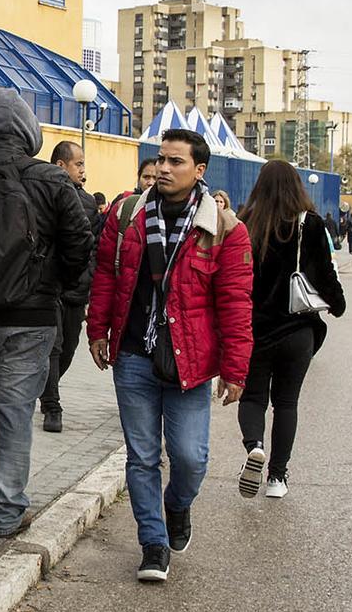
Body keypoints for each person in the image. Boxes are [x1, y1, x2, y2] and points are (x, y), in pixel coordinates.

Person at [86, 129, 253, 583]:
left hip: (189, 362)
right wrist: (96, 329)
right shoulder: (127, 215)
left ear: (199, 171)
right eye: (160, 159)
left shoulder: (225, 230)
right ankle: (153, 544)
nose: (163, 168)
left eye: (175, 161)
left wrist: (236, 369)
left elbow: (237, 303)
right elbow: (106, 275)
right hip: (134, 355)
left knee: (190, 458)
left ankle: (177, 505)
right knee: (141, 456)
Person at [0, 94, 92, 537]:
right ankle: (6, 509)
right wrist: (57, 286)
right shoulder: (51, 179)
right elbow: (79, 241)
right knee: (14, 409)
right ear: (31, 133)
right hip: (31, 316)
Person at [234, 161, 347, 501]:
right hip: (298, 329)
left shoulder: (246, 222)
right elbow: (325, 273)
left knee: (253, 396)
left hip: (255, 329)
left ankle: (255, 447)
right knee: (286, 403)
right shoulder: (309, 224)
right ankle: (277, 478)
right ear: (297, 186)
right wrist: (338, 304)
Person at [38, 138, 98, 436]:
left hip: (77, 287)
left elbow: (93, 247)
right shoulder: (41, 193)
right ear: (61, 165)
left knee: (69, 349)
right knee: (54, 344)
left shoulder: (87, 202)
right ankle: (52, 405)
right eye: (79, 164)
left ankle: (47, 388)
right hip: (49, 287)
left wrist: (89, 281)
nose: (83, 169)